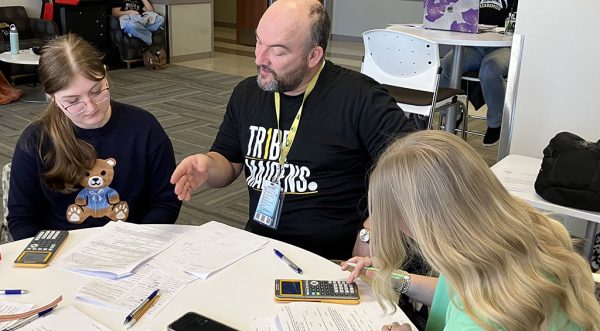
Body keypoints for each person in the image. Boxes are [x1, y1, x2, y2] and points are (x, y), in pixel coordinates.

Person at [343, 131, 600, 331]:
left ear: (409, 225)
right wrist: (397, 279)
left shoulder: (486, 328)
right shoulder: (526, 236)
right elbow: (455, 292)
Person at [171, 0, 413, 260]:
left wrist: (370, 231)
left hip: (335, 258)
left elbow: (416, 173)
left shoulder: (361, 99)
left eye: (277, 51)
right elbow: (229, 162)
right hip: (261, 247)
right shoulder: (246, 94)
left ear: (313, 56)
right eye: (258, 42)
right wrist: (208, 166)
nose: (259, 58)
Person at [7, 34, 181, 240]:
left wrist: (137, 243)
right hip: (62, 251)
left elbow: (166, 201)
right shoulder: (36, 140)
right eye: (73, 100)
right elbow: (22, 221)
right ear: (51, 97)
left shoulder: (144, 127)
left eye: (97, 91)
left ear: (105, 75)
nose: (90, 107)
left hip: (135, 243)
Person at [440, 0, 518, 146]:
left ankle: (496, 123)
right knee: (446, 66)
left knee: (490, 68)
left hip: (505, 46)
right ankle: (452, 115)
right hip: (475, 44)